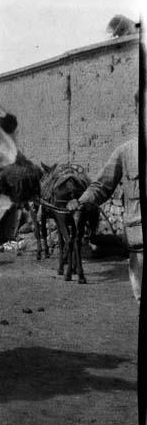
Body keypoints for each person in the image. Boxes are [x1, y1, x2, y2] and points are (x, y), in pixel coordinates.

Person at [67, 91, 143, 303]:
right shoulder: (126, 152)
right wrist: (81, 201)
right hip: (140, 248)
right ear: (138, 111)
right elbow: (101, 186)